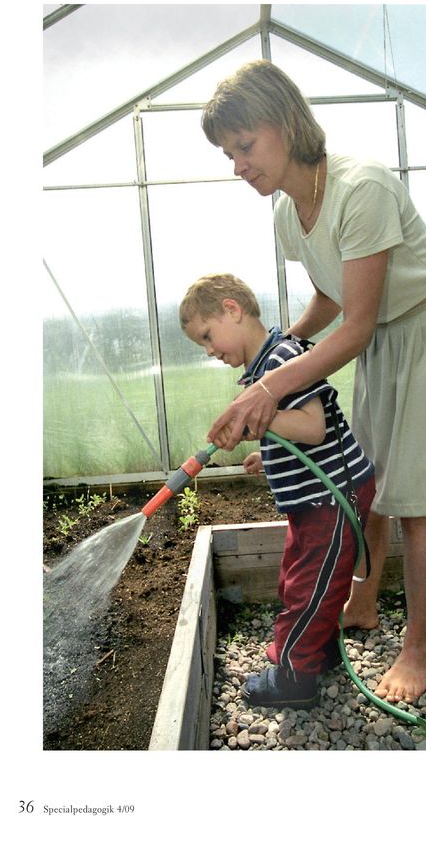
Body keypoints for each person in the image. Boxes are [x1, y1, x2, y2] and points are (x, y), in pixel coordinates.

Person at [201, 60, 426, 703]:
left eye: (245, 146)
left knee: (416, 501)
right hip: (384, 338)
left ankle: (417, 651)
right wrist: (272, 363)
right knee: (372, 477)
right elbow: (331, 302)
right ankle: (363, 603)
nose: (238, 165)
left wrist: (270, 389)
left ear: (285, 124)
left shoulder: (363, 189)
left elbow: (355, 326)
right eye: (229, 154)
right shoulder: (287, 213)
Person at [180, 272, 375, 709]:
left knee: (308, 588)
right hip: (313, 502)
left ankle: (295, 678)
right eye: (203, 346)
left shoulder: (281, 359)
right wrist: (268, 456)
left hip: (332, 499)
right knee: (300, 579)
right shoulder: (262, 366)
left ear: (232, 309)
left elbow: (312, 427)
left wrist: (255, 423)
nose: (210, 351)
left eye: (208, 337)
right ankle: (320, 651)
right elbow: (297, 434)